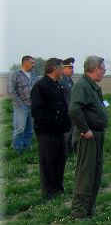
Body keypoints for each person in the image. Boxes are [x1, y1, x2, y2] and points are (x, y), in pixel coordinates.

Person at [68, 56, 109, 219]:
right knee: (86, 173)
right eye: (103, 69)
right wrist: (85, 129)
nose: (104, 72)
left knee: (95, 173)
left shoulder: (93, 87)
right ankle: (79, 212)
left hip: (97, 135)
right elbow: (73, 110)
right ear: (96, 68)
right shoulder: (83, 86)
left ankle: (89, 209)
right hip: (87, 137)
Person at [31, 58, 71, 199]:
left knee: (60, 161)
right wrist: (54, 120)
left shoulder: (56, 85)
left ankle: (58, 188)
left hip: (59, 130)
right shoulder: (40, 86)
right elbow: (37, 111)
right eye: (61, 68)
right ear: (54, 69)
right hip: (47, 132)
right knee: (48, 162)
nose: (63, 71)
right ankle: (48, 193)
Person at [8, 55, 38, 152]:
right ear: (25, 63)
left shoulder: (34, 74)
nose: (34, 65)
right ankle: (17, 149)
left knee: (29, 129)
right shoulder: (15, 74)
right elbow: (10, 90)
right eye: (32, 63)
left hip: (32, 106)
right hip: (21, 106)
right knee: (20, 129)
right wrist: (19, 104)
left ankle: (26, 147)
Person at [59, 57, 75, 157]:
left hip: (71, 111)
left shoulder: (70, 81)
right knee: (66, 134)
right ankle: (62, 153)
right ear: (63, 69)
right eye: (69, 68)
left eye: (72, 68)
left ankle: (69, 150)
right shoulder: (61, 81)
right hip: (65, 112)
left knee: (71, 132)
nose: (72, 70)